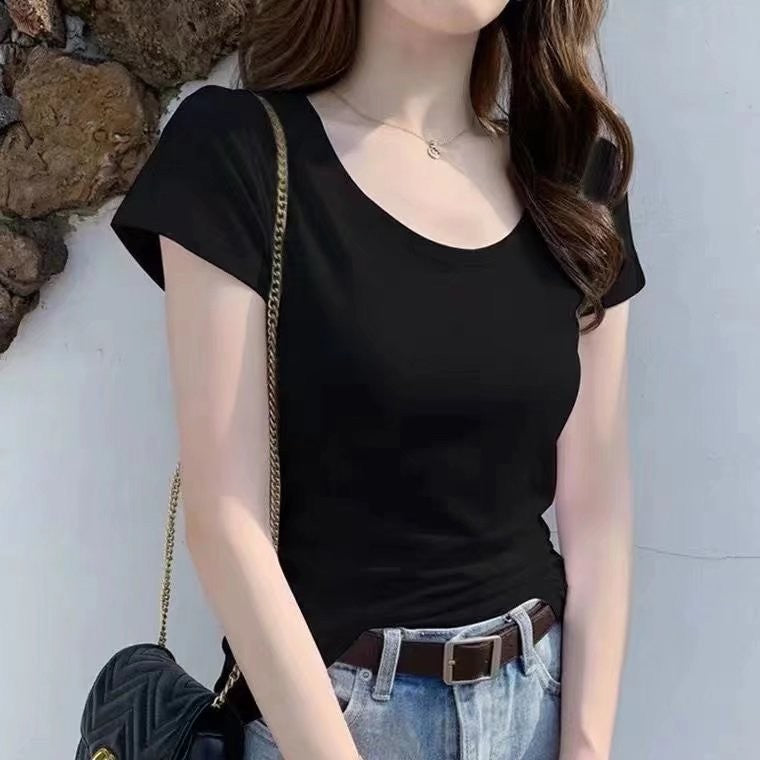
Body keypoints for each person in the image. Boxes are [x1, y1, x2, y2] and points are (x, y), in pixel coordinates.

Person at [110, 1, 646, 758]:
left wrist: (587, 746)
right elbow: (225, 522)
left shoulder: (576, 174)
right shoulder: (238, 150)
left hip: (539, 707)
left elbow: (598, 509)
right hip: (334, 720)